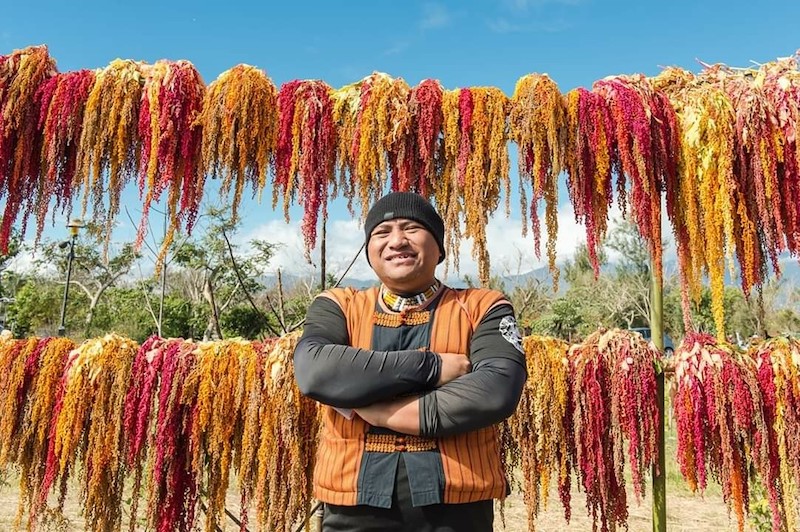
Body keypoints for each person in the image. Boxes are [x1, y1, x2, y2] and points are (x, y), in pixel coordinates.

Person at [293, 191, 527, 532]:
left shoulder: (483, 307)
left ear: (439, 246)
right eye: (382, 232)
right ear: (370, 250)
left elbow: (495, 390)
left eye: (412, 228)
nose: (397, 241)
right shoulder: (338, 305)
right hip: (352, 509)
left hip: (458, 510)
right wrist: (432, 367)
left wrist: (380, 412)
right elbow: (316, 371)